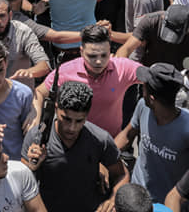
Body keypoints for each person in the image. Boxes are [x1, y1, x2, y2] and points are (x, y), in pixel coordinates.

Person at [114, 63, 189, 206]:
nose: (142, 89)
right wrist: (106, 159)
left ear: (152, 98)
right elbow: (128, 134)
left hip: (166, 204)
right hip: (137, 194)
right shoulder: (143, 106)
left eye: (144, 87)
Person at [23, 81, 128, 212]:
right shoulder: (36, 137)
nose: (72, 128)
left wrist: (112, 201)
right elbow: (23, 182)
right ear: (56, 108)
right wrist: (32, 167)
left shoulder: (101, 139)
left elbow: (122, 175)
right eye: (66, 119)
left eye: (79, 121)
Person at [32, 24, 140, 139]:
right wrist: (35, 117)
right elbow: (39, 92)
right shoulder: (65, 71)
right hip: (72, 144)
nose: (99, 61)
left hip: (109, 144)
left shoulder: (122, 67)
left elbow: (152, 78)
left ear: (110, 51)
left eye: (104, 55)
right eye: (92, 56)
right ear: (82, 51)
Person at [115, 3, 189, 70]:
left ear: (188, 27)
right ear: (164, 18)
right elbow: (127, 48)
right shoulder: (150, 21)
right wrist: (120, 70)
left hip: (181, 81)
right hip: (150, 74)